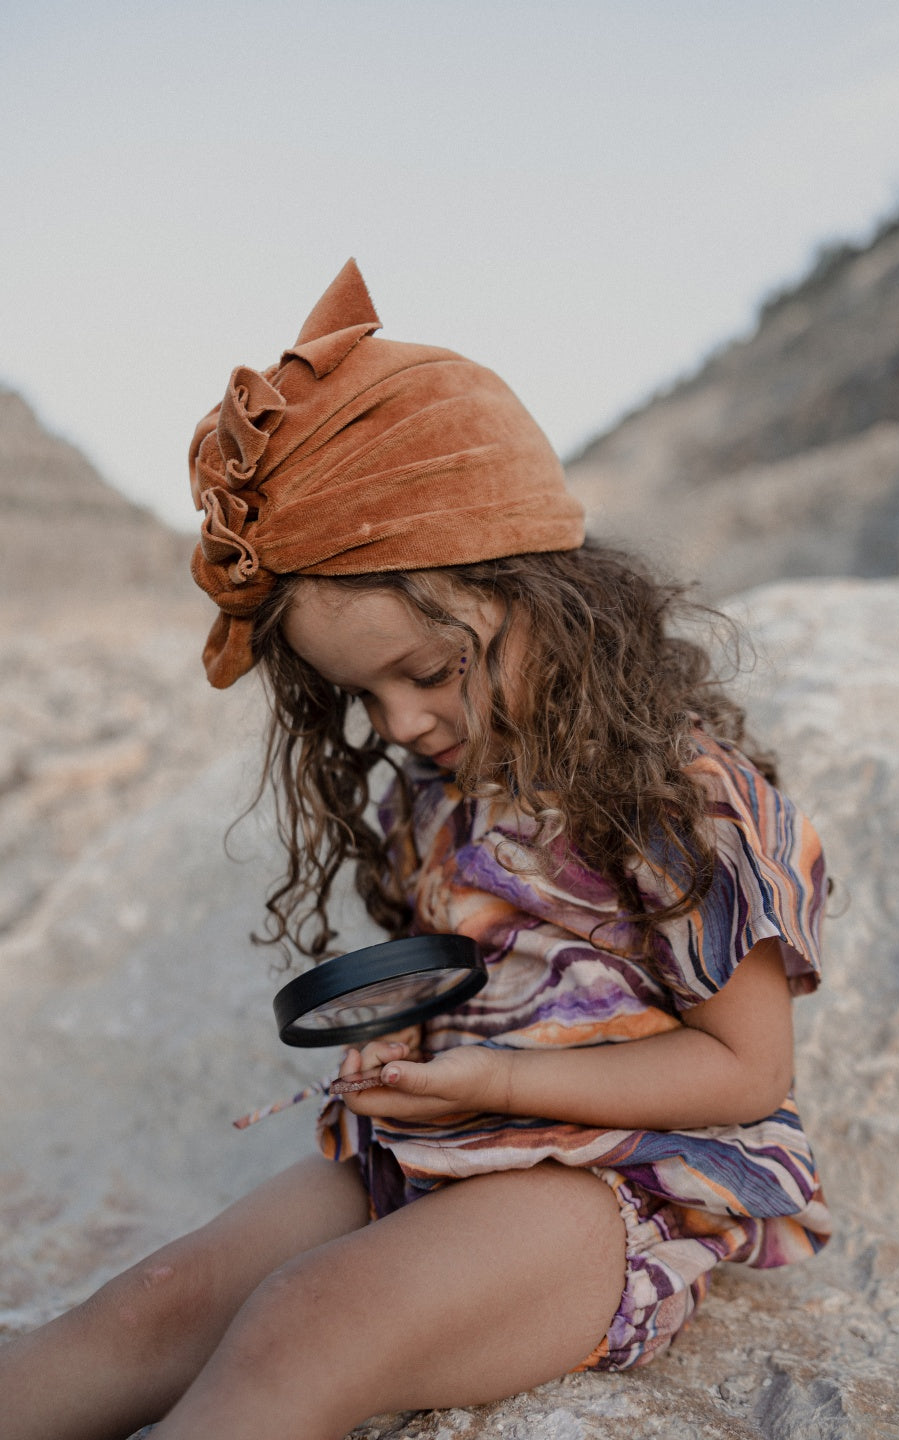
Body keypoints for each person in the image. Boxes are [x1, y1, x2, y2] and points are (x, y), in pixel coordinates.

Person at [0, 260, 830, 1440]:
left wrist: (501, 1081)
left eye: (430, 673)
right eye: (362, 695)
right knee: (153, 1300)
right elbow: (463, 973)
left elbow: (749, 1071)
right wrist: (410, 1047)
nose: (397, 726)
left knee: (309, 1326)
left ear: (547, 596)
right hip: (439, 1145)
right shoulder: (437, 799)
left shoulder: (678, 803)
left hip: (611, 1184)